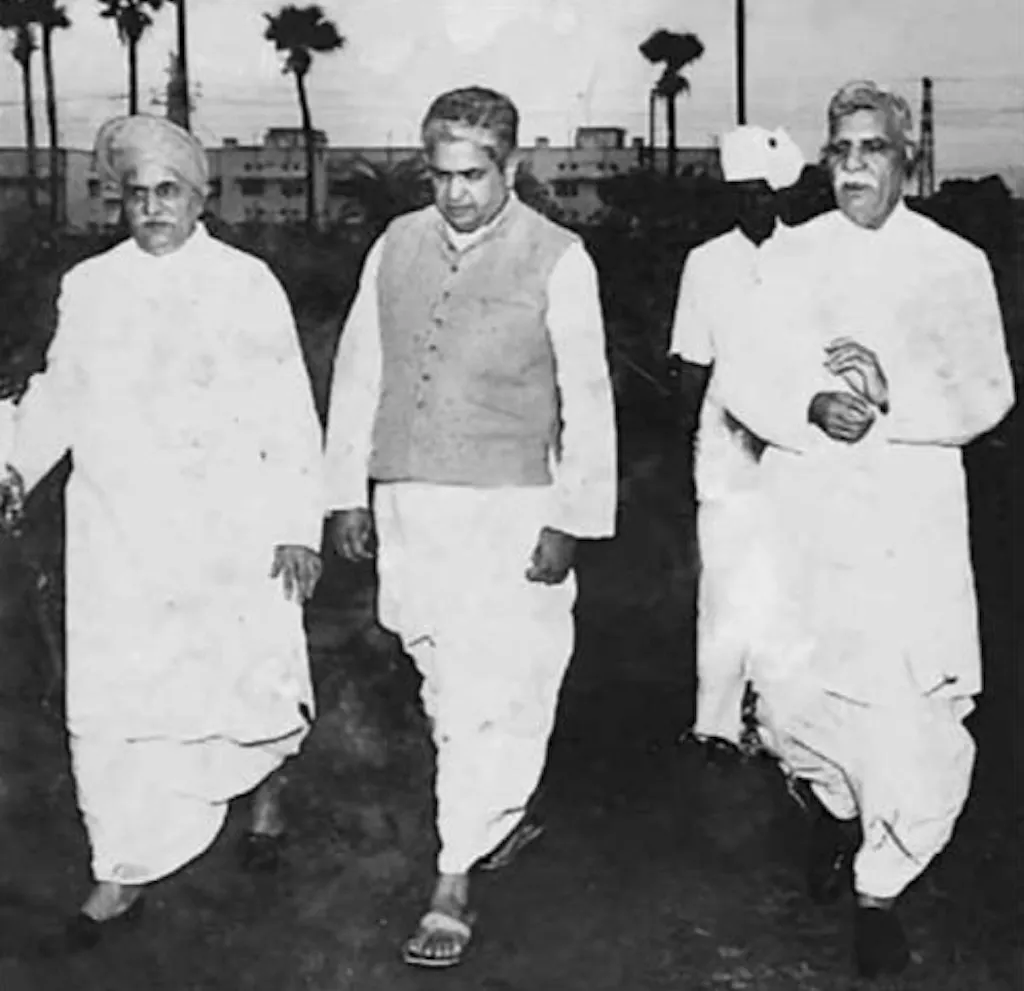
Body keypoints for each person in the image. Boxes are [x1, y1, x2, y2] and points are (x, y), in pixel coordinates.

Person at [0, 115, 325, 953]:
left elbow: (289, 411)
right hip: (119, 529)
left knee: (244, 680)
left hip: (230, 530)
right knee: (116, 696)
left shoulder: (247, 283)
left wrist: (297, 524)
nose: (151, 208)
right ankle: (120, 864)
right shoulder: (90, 286)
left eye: (167, 192)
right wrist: (15, 465)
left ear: (200, 197)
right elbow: (61, 391)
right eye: (135, 194)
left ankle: (264, 795)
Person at [713, 80, 1015, 978]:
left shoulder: (956, 264)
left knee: (913, 720)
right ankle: (838, 811)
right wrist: (808, 404)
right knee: (797, 708)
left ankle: (881, 887)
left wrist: (895, 400)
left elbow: (989, 392)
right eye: (839, 150)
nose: (851, 167)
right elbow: (741, 376)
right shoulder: (789, 257)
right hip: (806, 517)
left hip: (907, 527)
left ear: (907, 162)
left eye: (871, 150)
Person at [323, 86, 617, 968]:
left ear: (511, 168)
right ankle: (493, 813)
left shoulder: (559, 257)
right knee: (447, 682)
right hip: (413, 503)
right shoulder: (395, 245)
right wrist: (345, 491)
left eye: (473, 175)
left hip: (512, 504)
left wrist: (570, 516)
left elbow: (589, 399)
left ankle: (451, 880)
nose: (454, 194)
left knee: (497, 688)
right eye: (439, 175)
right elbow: (356, 371)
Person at [668, 125, 807, 764]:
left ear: (779, 193)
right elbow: (692, 361)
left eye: (760, 192)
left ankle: (781, 726)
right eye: (739, 193)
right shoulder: (706, 262)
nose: (751, 203)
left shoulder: (809, 257)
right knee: (725, 590)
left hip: (798, 451)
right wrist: (695, 431)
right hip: (724, 453)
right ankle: (716, 725)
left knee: (787, 589)